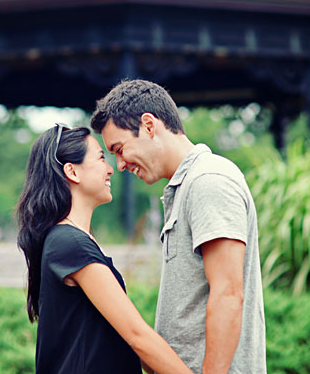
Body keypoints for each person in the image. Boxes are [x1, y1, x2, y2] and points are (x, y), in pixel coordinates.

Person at [91, 79, 267, 374]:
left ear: (149, 125)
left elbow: (228, 294)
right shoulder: (187, 186)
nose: (119, 165)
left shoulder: (208, 180)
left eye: (119, 149)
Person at [16, 123, 193, 374]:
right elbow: (137, 336)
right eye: (101, 158)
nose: (111, 169)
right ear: (72, 172)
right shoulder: (70, 243)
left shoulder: (72, 240)